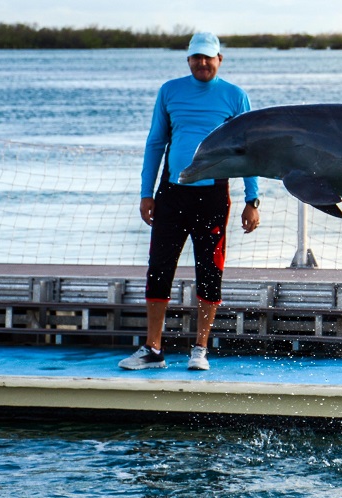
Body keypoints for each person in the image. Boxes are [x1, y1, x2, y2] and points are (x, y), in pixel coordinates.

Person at [119, 32, 260, 371]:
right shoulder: (170, 91)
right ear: (188, 60)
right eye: (196, 57)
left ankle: (200, 349)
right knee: (159, 268)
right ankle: (153, 350)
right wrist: (145, 193)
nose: (202, 63)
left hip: (212, 195)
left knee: (210, 270)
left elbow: (250, 152)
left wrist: (252, 199)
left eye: (208, 57)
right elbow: (156, 143)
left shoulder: (235, 96)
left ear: (219, 59)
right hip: (171, 193)